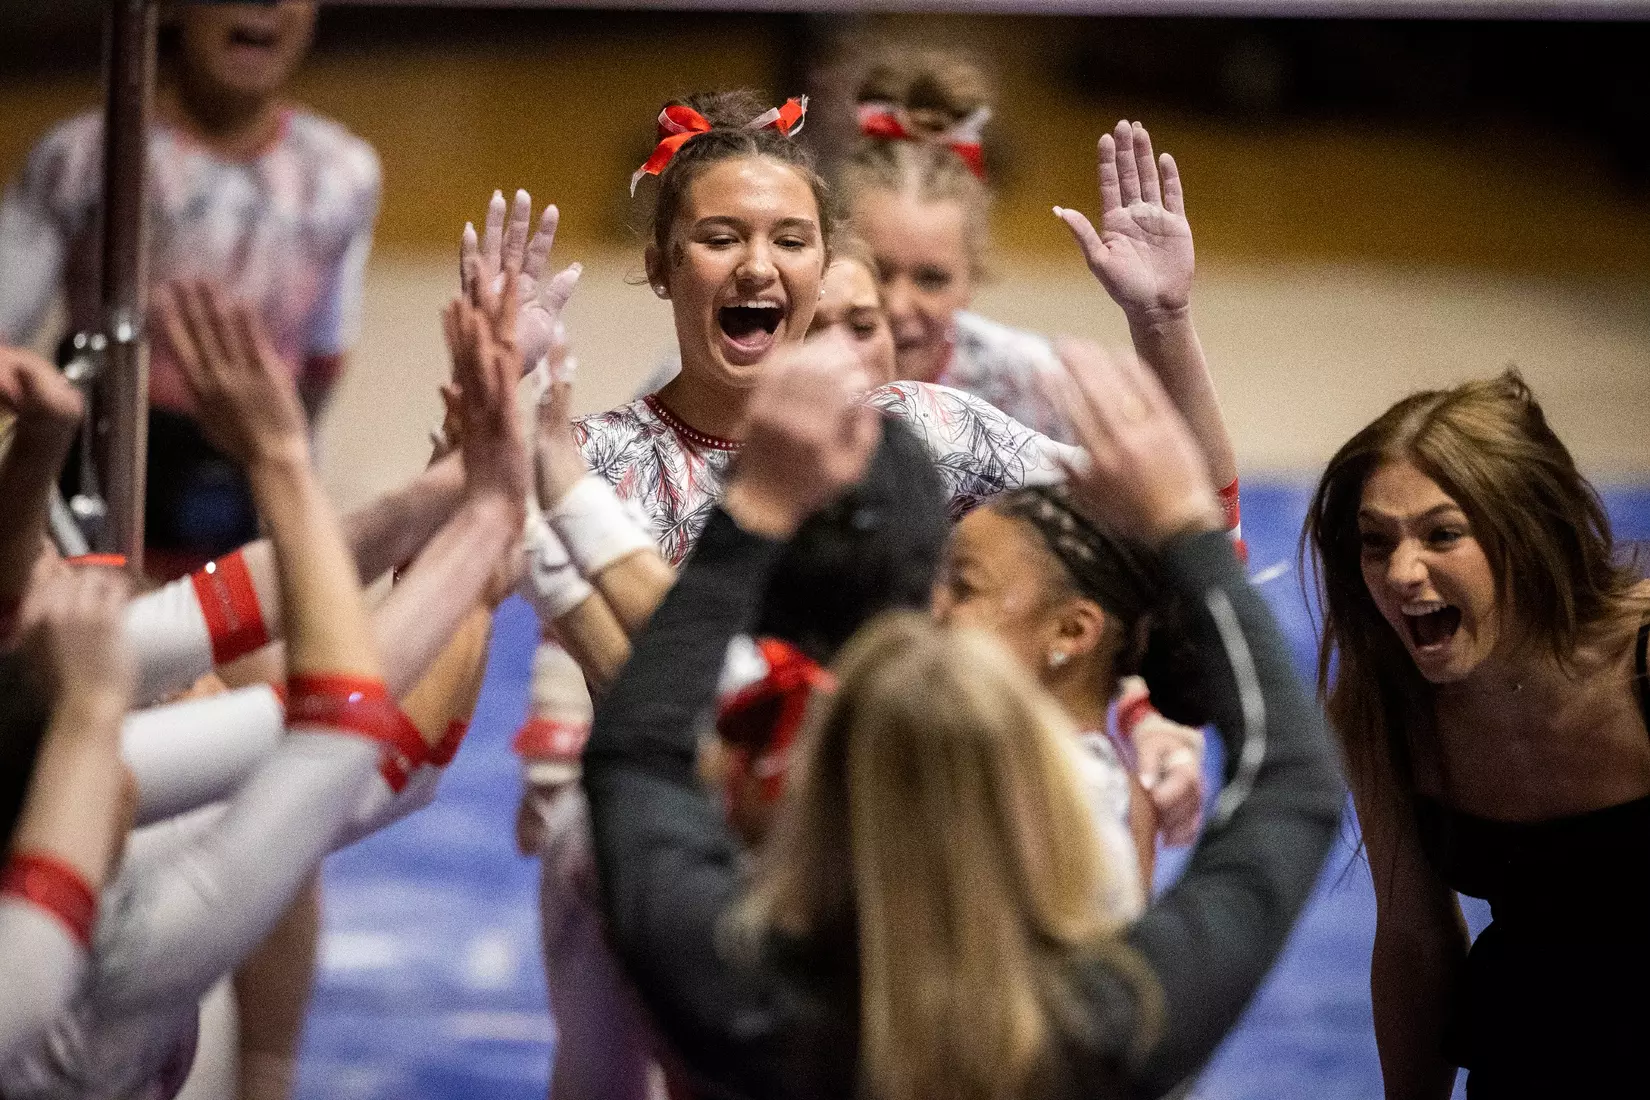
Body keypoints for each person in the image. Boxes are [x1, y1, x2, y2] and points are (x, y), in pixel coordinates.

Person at [582, 328, 1342, 1100]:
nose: (933, 606)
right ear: (1039, 800)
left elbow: (634, 755)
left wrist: (755, 507)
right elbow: (1294, 784)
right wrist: (1188, 525)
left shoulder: (746, 1005)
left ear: (822, 792)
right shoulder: (1111, 1026)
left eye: (961, 585)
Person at [1305, 369, 1650, 1099]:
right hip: (1531, 1055)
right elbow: (1414, 941)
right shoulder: (1383, 708)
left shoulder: (1643, 660)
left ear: (1528, 531)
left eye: (1442, 535)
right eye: (1375, 541)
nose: (1401, 572)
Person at [0, 0, 380, 579]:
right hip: (92, 504)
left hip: (243, 506)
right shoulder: (82, 157)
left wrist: (296, 506)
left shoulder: (340, 174)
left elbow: (323, 365)